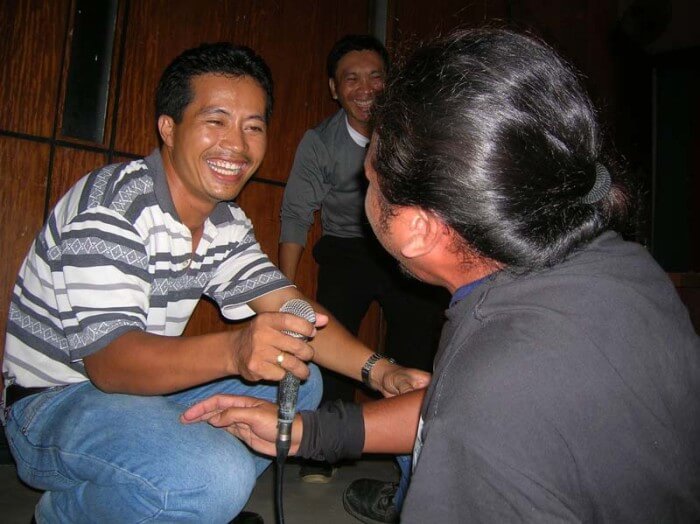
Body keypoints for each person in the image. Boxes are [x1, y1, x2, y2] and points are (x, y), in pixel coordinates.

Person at [181, 29, 700, 523]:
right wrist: (310, 433)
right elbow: (456, 406)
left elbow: (474, 410)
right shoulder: (626, 265)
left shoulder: (491, 391)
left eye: (370, 180)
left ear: (418, 229)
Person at [0, 42, 429, 524]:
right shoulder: (113, 207)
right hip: (52, 404)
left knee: (299, 379)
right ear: (169, 128)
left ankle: (184, 500)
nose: (237, 146)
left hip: (138, 397)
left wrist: (380, 371)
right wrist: (234, 349)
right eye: (216, 121)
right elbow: (111, 365)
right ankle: (70, 514)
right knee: (214, 477)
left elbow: (294, 310)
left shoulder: (225, 222)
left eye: (253, 127)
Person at [278, 34, 445, 494]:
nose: (365, 88)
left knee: (417, 339)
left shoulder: (414, 136)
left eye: (376, 77)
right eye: (351, 79)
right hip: (346, 246)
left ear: (390, 82)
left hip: (401, 248)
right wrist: (283, 293)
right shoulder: (320, 142)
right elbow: (296, 213)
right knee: (332, 330)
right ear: (335, 89)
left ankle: (412, 449)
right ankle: (325, 446)